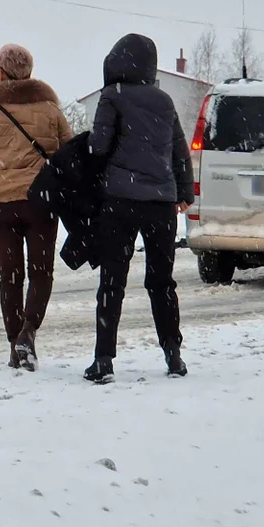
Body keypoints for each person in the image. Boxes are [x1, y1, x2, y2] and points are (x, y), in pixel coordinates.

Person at [84, 34, 194, 383]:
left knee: (112, 281)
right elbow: (180, 150)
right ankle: (173, 354)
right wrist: (184, 191)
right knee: (162, 281)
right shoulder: (164, 100)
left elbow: (98, 146)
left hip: (121, 200)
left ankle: (103, 360)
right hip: (161, 203)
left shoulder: (112, 96)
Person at [0, 44, 72, 371]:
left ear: (1, 71)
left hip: (2, 207)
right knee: (42, 273)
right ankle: (28, 334)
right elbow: (70, 157)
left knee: (11, 277)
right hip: (42, 204)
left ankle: (16, 344)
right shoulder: (51, 110)